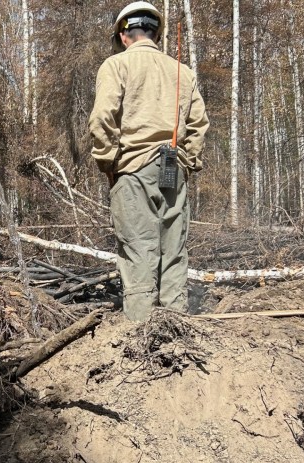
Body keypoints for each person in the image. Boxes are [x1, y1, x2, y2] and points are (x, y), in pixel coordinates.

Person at [89, 1, 209, 321]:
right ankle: (175, 322)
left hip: (132, 168)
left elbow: (102, 119)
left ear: (123, 35)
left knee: (139, 246)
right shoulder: (182, 72)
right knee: (173, 247)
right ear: (156, 33)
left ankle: (141, 328)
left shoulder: (116, 65)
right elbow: (198, 125)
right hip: (173, 167)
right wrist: (189, 162)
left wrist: (107, 162)